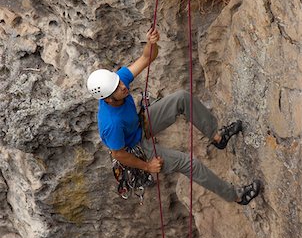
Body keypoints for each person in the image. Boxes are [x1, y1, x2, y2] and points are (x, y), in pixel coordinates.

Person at [87, 28, 261, 204]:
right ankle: (236, 196)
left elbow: (147, 58)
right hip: (136, 147)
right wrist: (148, 166)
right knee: (190, 164)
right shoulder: (111, 123)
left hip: (138, 124)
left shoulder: (116, 82)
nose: (123, 87)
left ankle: (217, 137)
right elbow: (119, 154)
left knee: (181, 98)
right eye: (117, 88)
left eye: (120, 82)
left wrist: (151, 42)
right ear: (108, 98)